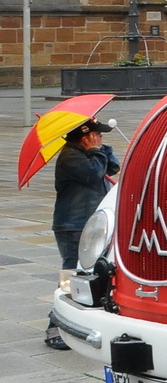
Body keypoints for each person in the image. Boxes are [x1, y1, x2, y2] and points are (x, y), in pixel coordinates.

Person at [44, 119, 119, 351]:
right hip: (73, 225)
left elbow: (113, 167)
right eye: (98, 135)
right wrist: (96, 152)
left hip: (91, 226)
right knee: (70, 274)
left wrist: (101, 150)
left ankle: (83, 320)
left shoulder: (91, 153)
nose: (101, 139)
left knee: (92, 274)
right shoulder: (70, 157)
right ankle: (55, 326)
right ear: (85, 136)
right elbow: (94, 174)